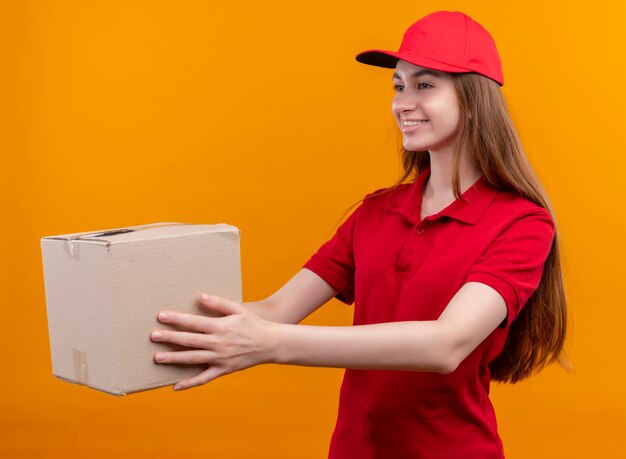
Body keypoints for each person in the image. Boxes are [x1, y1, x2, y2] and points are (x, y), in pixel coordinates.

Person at [150, 10, 568, 458]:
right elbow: (275, 309)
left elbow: (447, 344)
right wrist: (169, 325)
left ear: (474, 97)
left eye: (425, 85)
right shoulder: (376, 212)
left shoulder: (521, 224)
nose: (402, 103)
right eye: (399, 86)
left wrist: (269, 345)